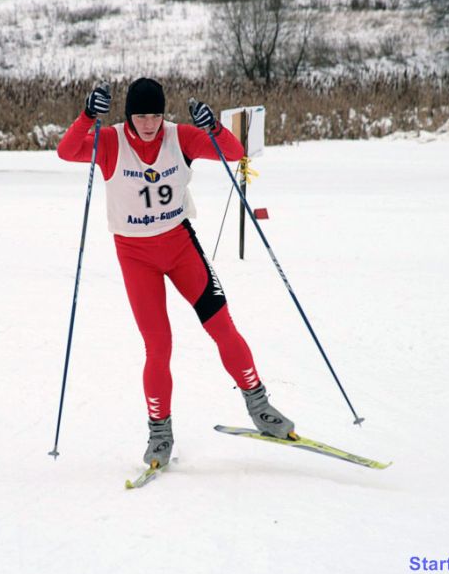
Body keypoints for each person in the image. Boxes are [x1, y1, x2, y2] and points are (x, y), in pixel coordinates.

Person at [57, 78, 295, 468]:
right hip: (136, 257)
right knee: (159, 346)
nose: (149, 124)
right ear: (128, 115)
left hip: (181, 247)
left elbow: (233, 153)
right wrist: (87, 116)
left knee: (222, 326)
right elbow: (66, 152)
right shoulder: (113, 142)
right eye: (140, 116)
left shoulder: (179, 137)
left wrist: (212, 127)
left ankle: (260, 406)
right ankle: (160, 434)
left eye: (155, 115)